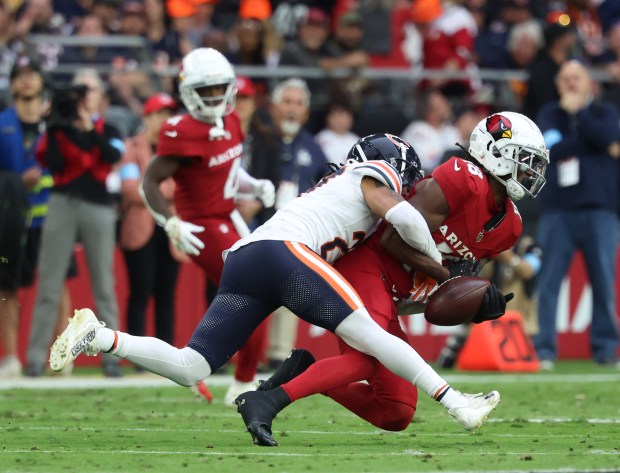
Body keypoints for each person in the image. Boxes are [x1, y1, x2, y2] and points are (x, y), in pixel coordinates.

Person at [50, 128, 504, 446]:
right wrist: (446, 271)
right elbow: (405, 217)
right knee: (374, 339)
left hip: (246, 260)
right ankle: (457, 403)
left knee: (192, 366)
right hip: (285, 254)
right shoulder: (370, 177)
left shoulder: (338, 183)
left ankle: (100, 336)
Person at [236, 112, 549, 446]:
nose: (530, 172)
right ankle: (267, 401)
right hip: (368, 267)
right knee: (368, 357)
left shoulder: (509, 227)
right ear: (494, 152)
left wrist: (478, 303)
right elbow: (393, 239)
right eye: (524, 160)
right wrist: (447, 276)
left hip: (398, 293)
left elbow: (448, 291)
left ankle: (304, 372)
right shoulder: (462, 177)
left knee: (396, 411)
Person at [138, 48, 275, 399]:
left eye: (219, 88)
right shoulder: (180, 130)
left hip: (227, 217)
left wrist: (253, 185)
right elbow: (149, 183)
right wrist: (170, 222)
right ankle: (242, 382)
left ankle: (219, 370)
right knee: (255, 295)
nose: (215, 97)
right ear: (188, 92)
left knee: (252, 296)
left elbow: (226, 169)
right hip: (201, 226)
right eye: (206, 90)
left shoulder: (229, 120)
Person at [26, 68, 125, 377]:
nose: (84, 98)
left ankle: (112, 358)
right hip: (62, 202)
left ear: (100, 97)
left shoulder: (108, 129)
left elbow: (111, 156)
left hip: (98, 206)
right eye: (80, 92)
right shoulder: (59, 129)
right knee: (49, 282)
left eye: (90, 90)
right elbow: (51, 162)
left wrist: (87, 127)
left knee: (104, 285)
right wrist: (54, 125)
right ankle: (34, 359)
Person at [534, 59, 620, 369]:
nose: (571, 83)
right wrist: (595, 143)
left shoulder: (604, 112)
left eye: (577, 78)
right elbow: (550, 152)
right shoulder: (548, 114)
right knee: (549, 282)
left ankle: (606, 349)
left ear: (589, 84)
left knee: (604, 282)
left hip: (601, 210)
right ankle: (544, 349)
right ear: (558, 84)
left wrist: (579, 114)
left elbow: (607, 135)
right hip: (558, 211)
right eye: (566, 78)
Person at [119, 92, 182, 350]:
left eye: (169, 114)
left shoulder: (179, 151)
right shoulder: (131, 148)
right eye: (159, 114)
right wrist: (162, 191)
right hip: (140, 228)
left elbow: (184, 189)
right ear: (147, 117)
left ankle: (166, 353)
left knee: (167, 295)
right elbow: (129, 189)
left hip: (170, 230)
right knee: (140, 292)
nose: (165, 120)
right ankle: (137, 354)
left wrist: (152, 188)